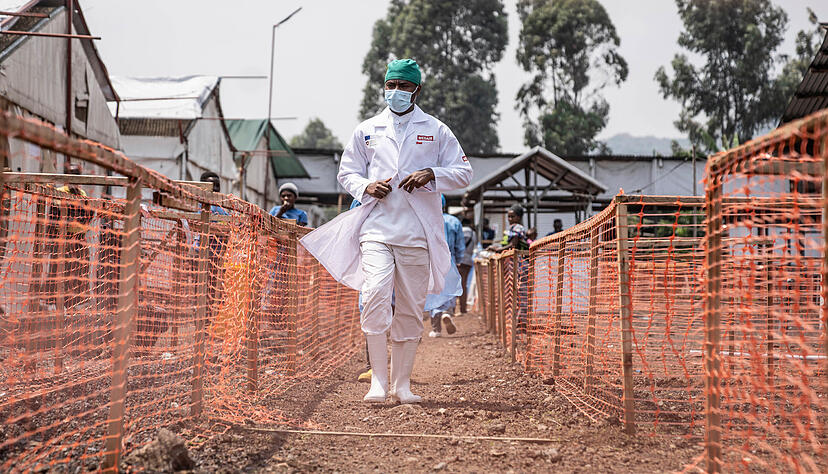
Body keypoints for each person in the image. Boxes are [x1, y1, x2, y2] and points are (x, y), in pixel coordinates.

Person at [300, 58, 472, 404]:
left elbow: (464, 173)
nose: (395, 92)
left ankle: (402, 384)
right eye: (390, 85)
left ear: (416, 90)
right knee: (376, 294)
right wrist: (365, 187)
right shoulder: (366, 130)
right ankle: (377, 381)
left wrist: (432, 174)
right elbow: (347, 172)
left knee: (410, 307)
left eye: (403, 86)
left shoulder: (436, 130)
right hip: (376, 229)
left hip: (418, 235)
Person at [429, 195, 464, 337]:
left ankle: (436, 328)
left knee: (433, 290)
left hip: (431, 260)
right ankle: (447, 312)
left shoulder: (428, 220)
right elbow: (460, 243)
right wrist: (459, 259)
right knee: (449, 288)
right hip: (450, 259)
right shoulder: (454, 221)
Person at [457, 217, 477, 315]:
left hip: (460, 260)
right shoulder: (473, 233)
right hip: (469, 260)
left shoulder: (461, 231)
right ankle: (463, 308)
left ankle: (458, 308)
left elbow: (458, 245)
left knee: (458, 284)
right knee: (464, 284)